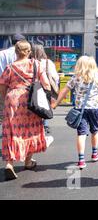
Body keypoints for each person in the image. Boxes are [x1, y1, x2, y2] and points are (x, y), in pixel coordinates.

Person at [52, 56, 98, 170]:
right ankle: (94, 154)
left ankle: (81, 160)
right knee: (95, 130)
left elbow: (64, 91)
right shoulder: (97, 78)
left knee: (81, 133)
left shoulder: (75, 78)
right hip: (94, 108)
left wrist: (57, 103)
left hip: (80, 109)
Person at [0, 40, 50, 181]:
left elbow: (2, 86)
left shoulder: (10, 67)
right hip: (30, 100)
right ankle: (28, 162)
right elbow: (46, 84)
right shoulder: (36, 64)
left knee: (12, 132)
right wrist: (46, 97)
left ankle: (10, 164)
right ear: (29, 52)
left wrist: (5, 100)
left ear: (16, 51)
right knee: (31, 130)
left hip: (13, 100)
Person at [31, 44, 59, 138]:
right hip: (46, 88)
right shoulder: (48, 62)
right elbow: (55, 77)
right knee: (45, 106)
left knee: (34, 105)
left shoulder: (30, 62)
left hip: (34, 88)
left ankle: (35, 125)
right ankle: (45, 125)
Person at [0, 34, 26, 126]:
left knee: (4, 111)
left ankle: (6, 129)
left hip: (3, 86)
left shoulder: (2, 54)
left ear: (12, 41)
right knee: (20, 112)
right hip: (19, 87)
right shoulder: (24, 54)